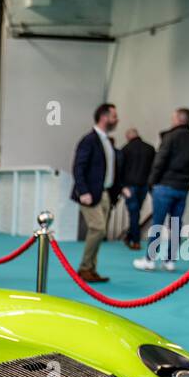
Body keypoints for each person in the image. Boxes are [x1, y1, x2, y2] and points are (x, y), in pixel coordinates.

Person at [139, 108, 189, 272]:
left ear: (177, 119)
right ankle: (169, 260)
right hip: (182, 188)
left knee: (157, 224)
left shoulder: (170, 137)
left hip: (164, 186)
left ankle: (150, 259)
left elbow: (159, 161)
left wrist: (152, 183)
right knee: (176, 225)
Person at [69, 103, 120, 283]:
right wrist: (83, 190)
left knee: (100, 231)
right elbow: (78, 166)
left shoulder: (108, 141)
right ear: (104, 117)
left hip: (105, 193)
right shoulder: (89, 140)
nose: (117, 119)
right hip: (90, 194)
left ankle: (91, 268)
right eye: (114, 116)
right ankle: (84, 268)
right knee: (97, 228)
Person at [117, 128, 156, 250]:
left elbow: (119, 169)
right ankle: (130, 236)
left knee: (134, 213)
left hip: (130, 186)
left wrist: (122, 186)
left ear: (128, 137)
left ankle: (135, 240)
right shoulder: (150, 149)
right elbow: (155, 168)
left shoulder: (125, 149)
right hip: (144, 185)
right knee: (136, 212)